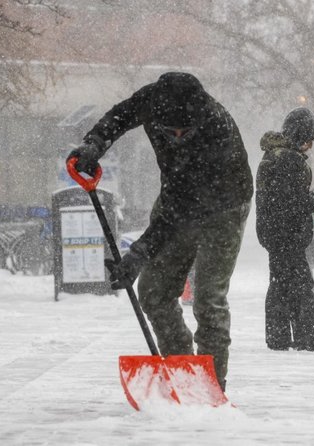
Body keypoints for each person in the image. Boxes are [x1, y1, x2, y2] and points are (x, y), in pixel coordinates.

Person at [67, 72, 253, 391]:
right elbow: (122, 115)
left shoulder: (216, 128)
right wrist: (95, 144)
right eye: (171, 131)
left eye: (186, 130)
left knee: (208, 298)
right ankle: (182, 370)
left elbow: (183, 210)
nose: (178, 135)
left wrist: (139, 253)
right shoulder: (153, 100)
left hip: (224, 205)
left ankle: (211, 385)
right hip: (176, 196)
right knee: (153, 292)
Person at [255, 107, 314, 352]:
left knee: (281, 283)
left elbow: (282, 196)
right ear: (300, 135)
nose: (311, 145)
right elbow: (288, 198)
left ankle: (279, 338)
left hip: (276, 232)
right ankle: (307, 339)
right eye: (309, 139)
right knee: (300, 286)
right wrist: (313, 201)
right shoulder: (287, 159)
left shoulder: (276, 155)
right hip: (286, 233)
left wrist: (307, 200)